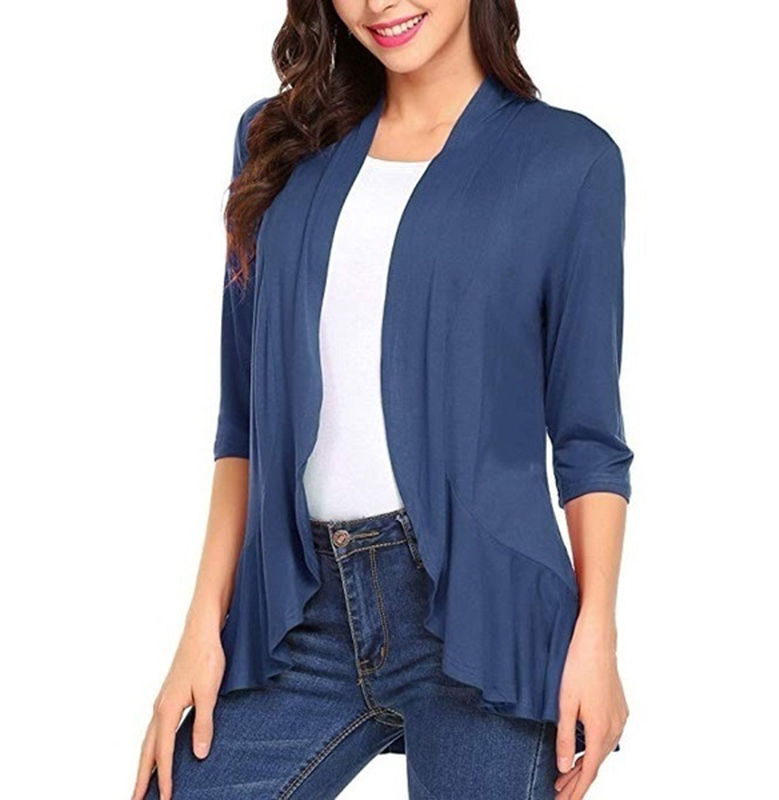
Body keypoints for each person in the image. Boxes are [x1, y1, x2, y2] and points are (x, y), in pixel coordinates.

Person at [133, 1, 634, 798]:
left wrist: (596, 639)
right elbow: (242, 422)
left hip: (489, 617)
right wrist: (201, 630)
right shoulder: (277, 141)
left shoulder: (568, 161)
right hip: (296, 611)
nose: (380, 4)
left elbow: (588, 441)